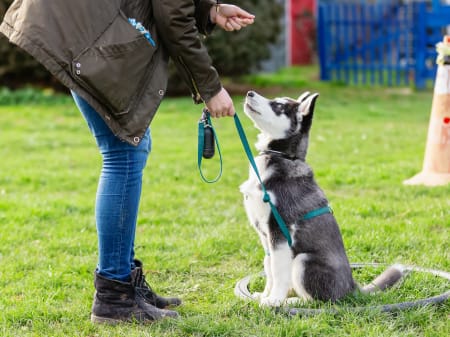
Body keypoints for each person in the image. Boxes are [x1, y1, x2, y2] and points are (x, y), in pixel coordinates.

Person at [0, 0, 254, 324]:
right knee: (123, 153)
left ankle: (123, 282)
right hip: (79, 26)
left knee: (131, 146)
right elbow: (172, 15)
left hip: (79, 21)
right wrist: (211, 87)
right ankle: (114, 295)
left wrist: (209, 11)